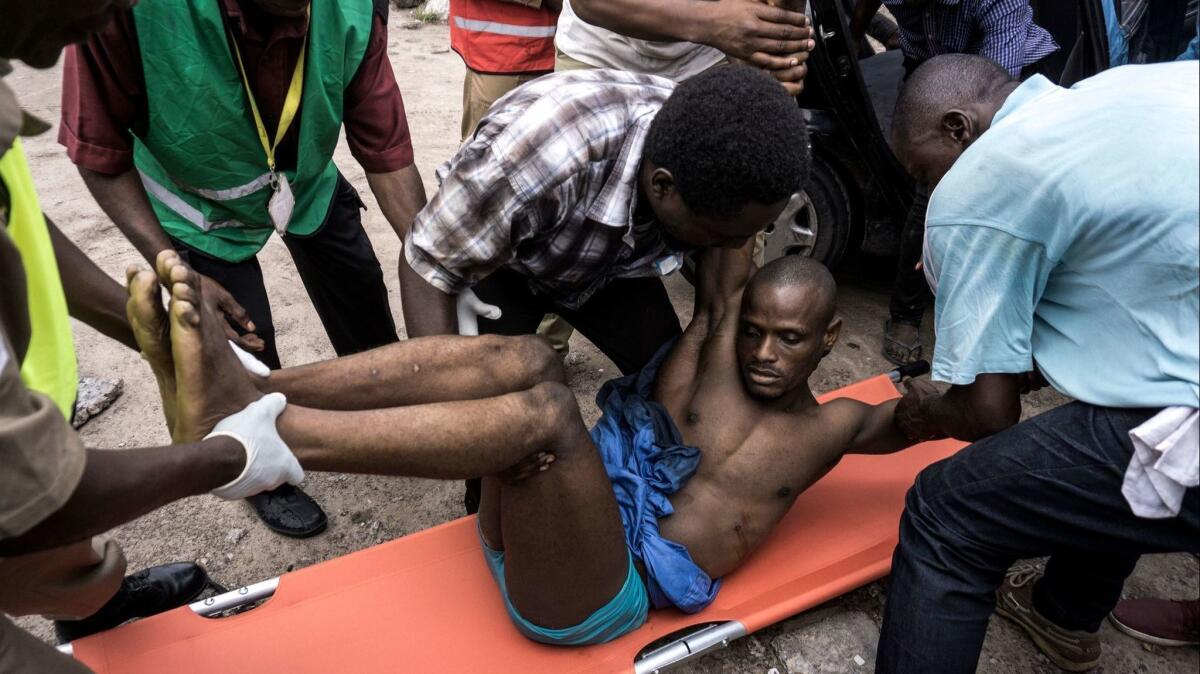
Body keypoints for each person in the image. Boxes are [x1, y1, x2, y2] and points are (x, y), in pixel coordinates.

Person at [133, 226, 917, 646]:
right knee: (530, 357)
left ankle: (259, 442)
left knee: (547, 414)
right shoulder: (715, 331)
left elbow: (953, 416)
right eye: (756, 331)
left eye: (789, 339)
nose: (763, 353)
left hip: (593, 599)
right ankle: (258, 392)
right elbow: (736, 214)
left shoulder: (835, 427)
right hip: (535, 531)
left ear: (831, 337)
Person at [0, 1, 307, 666]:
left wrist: (160, 326)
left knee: (67, 577)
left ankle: (96, 610)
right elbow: (29, 494)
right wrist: (228, 457)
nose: (132, 8)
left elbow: (22, 228)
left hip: (27, 395)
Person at [874, 55, 1199, 672]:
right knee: (1112, 413)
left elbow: (990, 413)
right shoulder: (1124, 90)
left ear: (957, 129)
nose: (929, 192)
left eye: (923, 172)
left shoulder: (979, 182)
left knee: (946, 514)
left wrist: (932, 411)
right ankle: (1061, 614)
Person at [59, 0, 430, 537]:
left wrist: (431, 254)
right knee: (242, 349)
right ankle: (263, 474)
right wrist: (172, 268)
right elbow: (99, 152)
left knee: (361, 298)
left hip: (303, 182)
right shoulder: (129, 12)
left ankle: (383, 404)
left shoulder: (354, 6)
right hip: (197, 210)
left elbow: (383, 141)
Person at [398, 65, 809, 512]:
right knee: (499, 429)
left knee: (670, 374)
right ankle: (486, 507)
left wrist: (757, 415)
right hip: (510, 263)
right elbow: (425, 263)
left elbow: (721, 308)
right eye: (721, 236)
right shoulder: (533, 157)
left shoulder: (725, 159)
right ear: (663, 187)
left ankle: (644, 490)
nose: (735, 248)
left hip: (608, 265)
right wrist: (462, 420)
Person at [849, 0, 1059, 367]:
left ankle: (1000, 318)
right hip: (929, 64)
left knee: (976, 194)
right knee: (927, 192)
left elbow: (989, 105)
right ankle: (907, 313)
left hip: (994, 83)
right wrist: (856, 35)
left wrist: (955, 206)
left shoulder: (1000, 3)